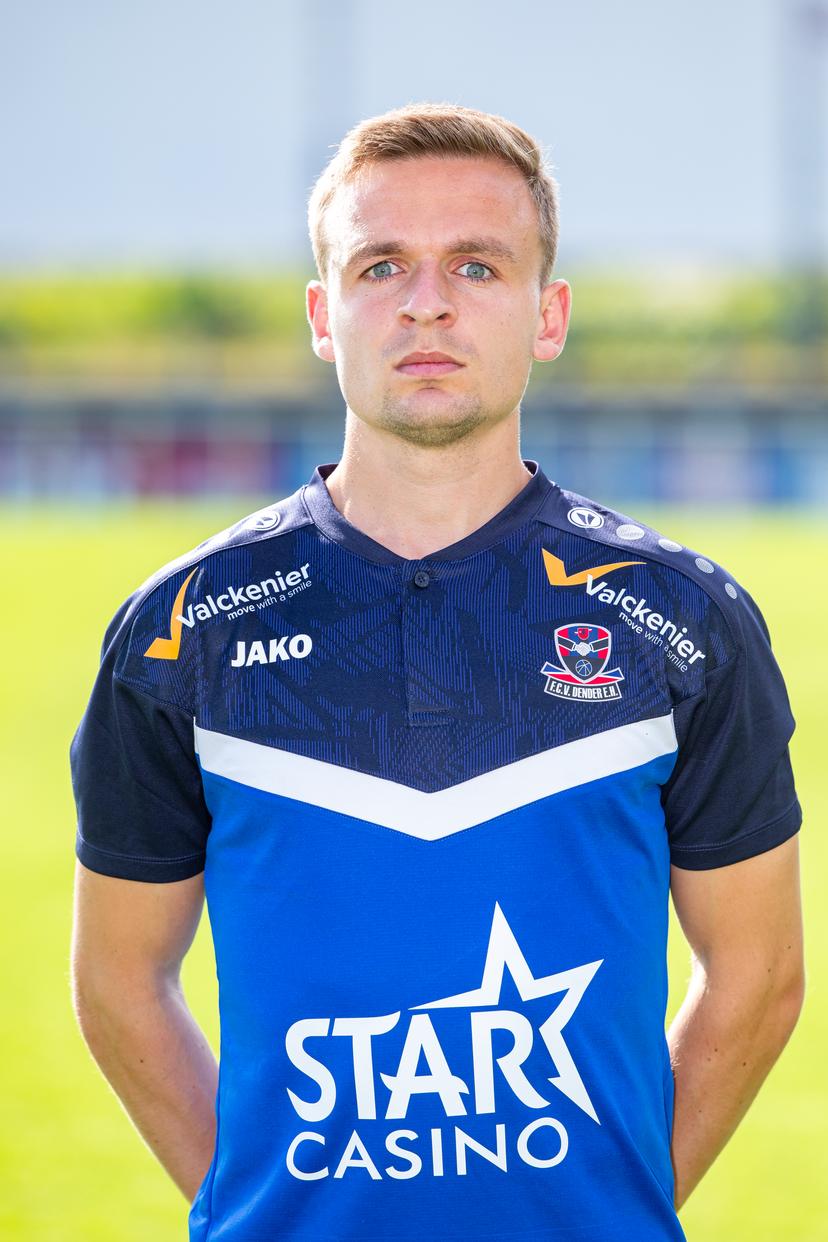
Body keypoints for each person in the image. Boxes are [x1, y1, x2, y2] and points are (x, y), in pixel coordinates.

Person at [70, 103, 804, 1242]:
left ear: (548, 313)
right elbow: (120, 981)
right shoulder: (184, 629)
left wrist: (615, 1205)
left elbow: (757, 974)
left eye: (477, 264)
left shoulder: (679, 618)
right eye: (380, 267)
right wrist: (256, 1207)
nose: (427, 303)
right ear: (324, 314)